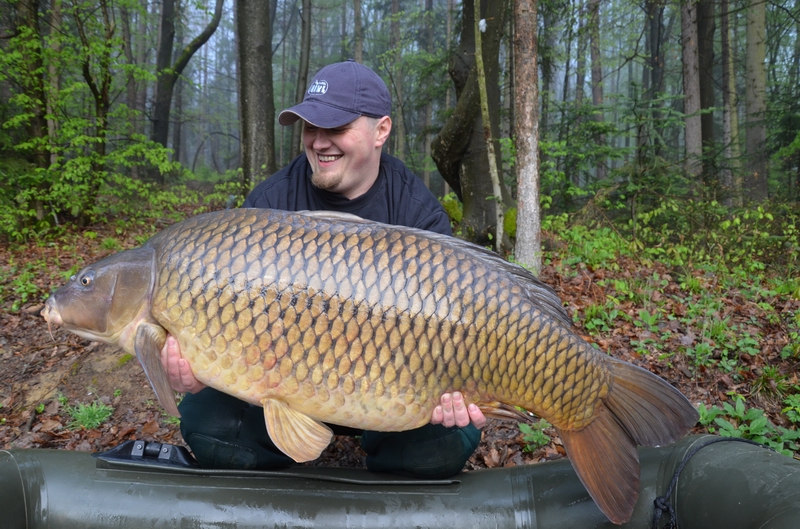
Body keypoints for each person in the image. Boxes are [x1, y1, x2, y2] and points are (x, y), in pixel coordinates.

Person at [160, 60, 486, 479]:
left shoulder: (418, 215)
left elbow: (462, 320)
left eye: (335, 128)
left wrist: (470, 394)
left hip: (392, 389)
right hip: (286, 383)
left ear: (381, 130)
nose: (318, 142)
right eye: (310, 127)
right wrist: (199, 368)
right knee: (209, 428)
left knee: (443, 447)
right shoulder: (268, 205)